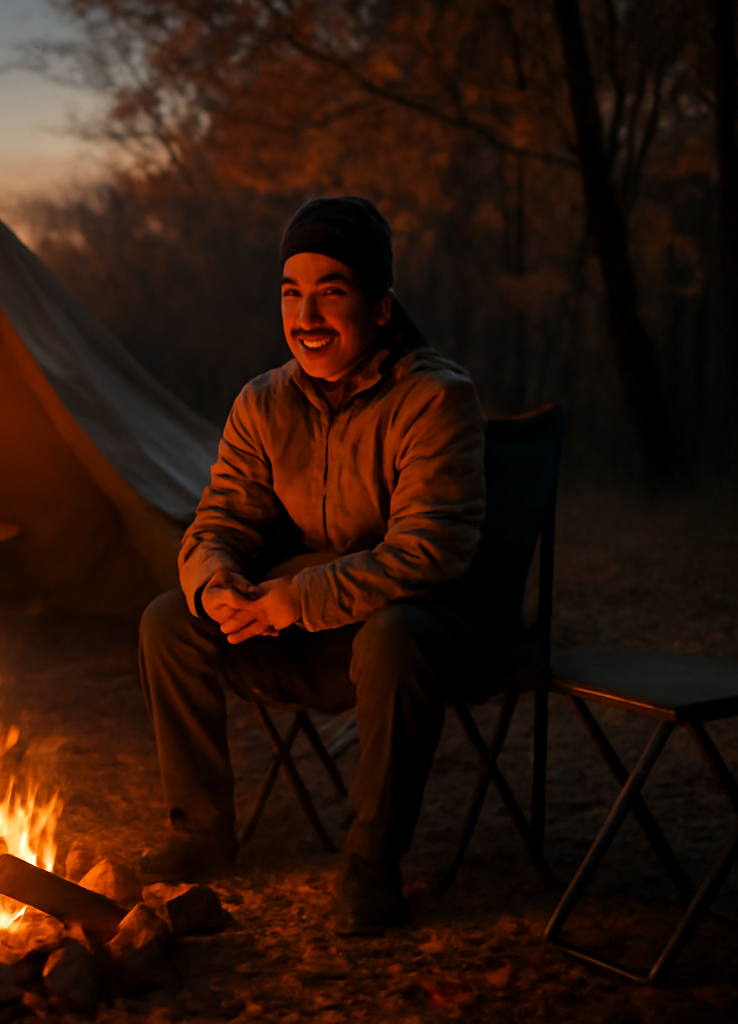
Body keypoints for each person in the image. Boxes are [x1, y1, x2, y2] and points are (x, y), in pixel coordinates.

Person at [136, 196, 489, 935]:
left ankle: (372, 865)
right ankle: (200, 831)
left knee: (392, 635)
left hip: (424, 638)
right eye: (292, 294)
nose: (307, 317)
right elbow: (218, 522)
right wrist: (218, 583)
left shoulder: (434, 399)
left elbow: (431, 551)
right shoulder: (263, 403)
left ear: (381, 306)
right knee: (172, 617)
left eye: (331, 292)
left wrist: (295, 597)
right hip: (303, 633)